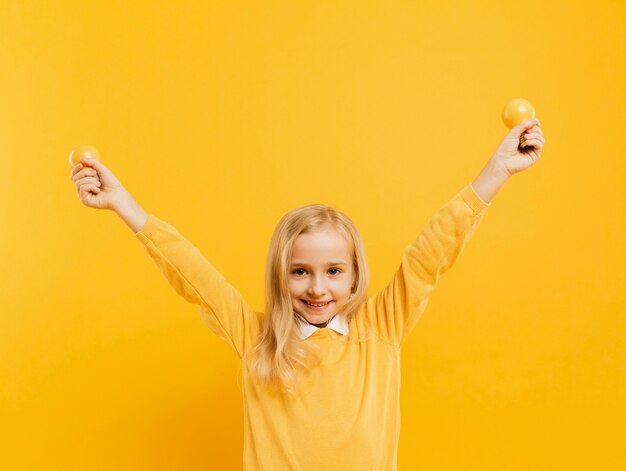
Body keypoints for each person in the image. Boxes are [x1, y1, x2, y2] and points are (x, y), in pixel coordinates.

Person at [70, 119, 544, 470]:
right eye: (300, 271)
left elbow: (431, 252)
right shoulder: (254, 337)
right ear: (280, 276)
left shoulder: (381, 327)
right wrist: (122, 205)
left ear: (356, 276)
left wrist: (496, 171)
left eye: (334, 271)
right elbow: (190, 271)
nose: (317, 287)